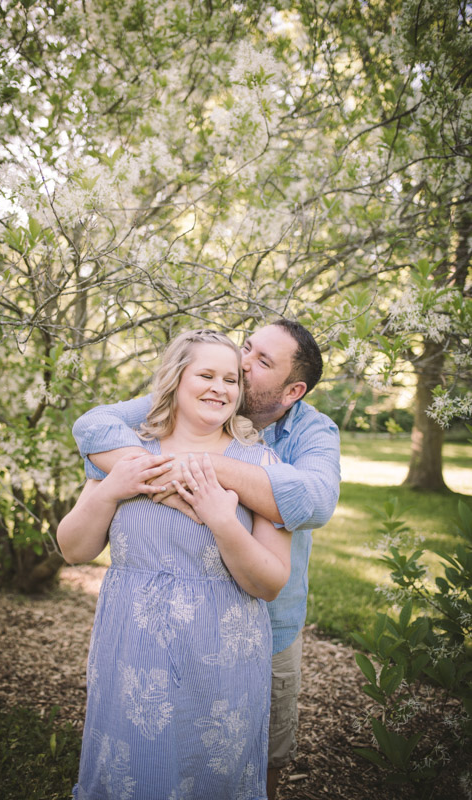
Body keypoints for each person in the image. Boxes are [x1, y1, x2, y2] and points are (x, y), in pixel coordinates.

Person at [73, 319, 341, 799]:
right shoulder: (135, 442)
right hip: (133, 645)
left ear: (292, 389)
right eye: (246, 349)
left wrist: (208, 484)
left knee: (254, 758)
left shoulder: (296, 446)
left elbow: (313, 505)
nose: (237, 367)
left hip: (248, 635)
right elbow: (91, 429)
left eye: (256, 365)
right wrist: (137, 479)